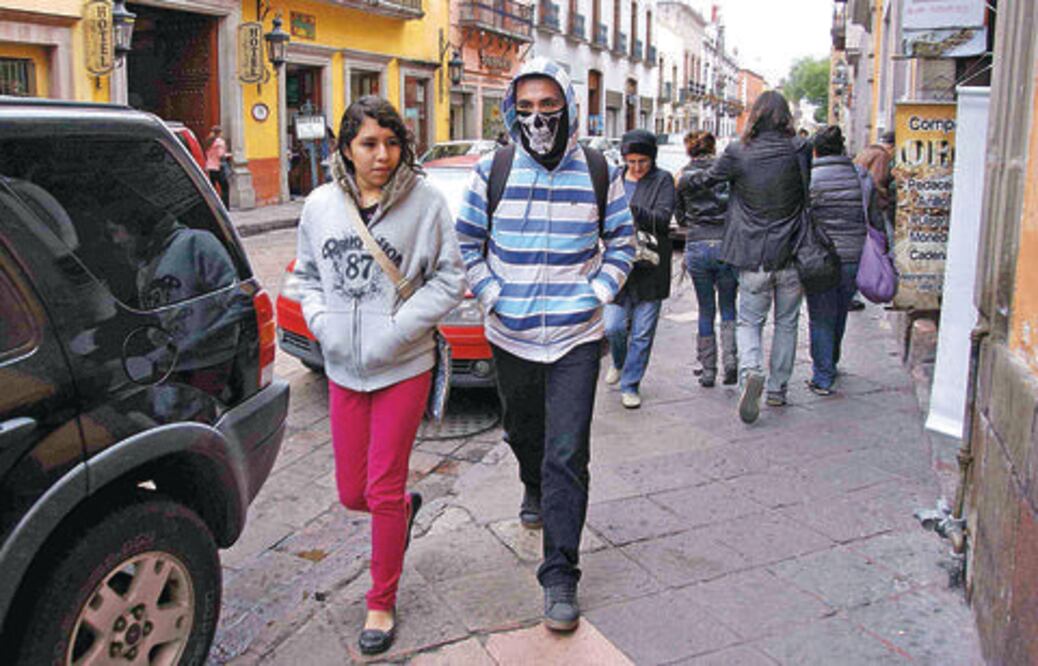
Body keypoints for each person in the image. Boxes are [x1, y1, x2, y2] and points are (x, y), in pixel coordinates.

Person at [455, 57, 635, 632]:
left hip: (576, 338)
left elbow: (624, 245)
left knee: (568, 454)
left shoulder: (599, 170)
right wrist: (493, 295)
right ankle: (531, 483)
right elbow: (467, 242)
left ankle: (560, 574)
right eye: (526, 108)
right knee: (522, 433)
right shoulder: (494, 169)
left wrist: (597, 294)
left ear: (569, 108)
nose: (538, 119)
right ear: (512, 109)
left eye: (549, 107)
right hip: (510, 335)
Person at [293, 96, 465, 655]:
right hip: (344, 365)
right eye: (369, 143)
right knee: (352, 492)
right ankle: (401, 511)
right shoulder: (319, 206)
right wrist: (322, 324)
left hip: (404, 364)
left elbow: (448, 279)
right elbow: (308, 277)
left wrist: (396, 331)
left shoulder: (427, 203)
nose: (382, 155)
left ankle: (380, 600)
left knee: (384, 487)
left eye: (392, 142)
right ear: (346, 147)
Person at [688, 90, 811, 424]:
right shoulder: (800, 148)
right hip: (791, 251)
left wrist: (683, 180)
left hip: (752, 253)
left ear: (754, 115)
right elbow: (806, 190)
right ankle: (777, 389)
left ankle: (751, 373)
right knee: (787, 322)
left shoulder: (739, 152)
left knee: (749, 321)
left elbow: (707, 180)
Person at [805, 126, 885, 395]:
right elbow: (875, 219)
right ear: (842, 148)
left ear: (816, 149)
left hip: (820, 258)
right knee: (839, 313)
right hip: (854, 257)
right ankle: (831, 363)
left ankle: (823, 376)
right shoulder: (861, 176)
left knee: (820, 316)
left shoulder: (809, 178)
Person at [603, 129, 675, 408]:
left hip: (650, 267)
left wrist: (634, 211)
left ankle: (630, 384)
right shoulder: (614, 178)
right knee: (613, 327)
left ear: (652, 158)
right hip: (617, 268)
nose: (636, 167)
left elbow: (663, 217)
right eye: (631, 161)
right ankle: (619, 361)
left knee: (643, 333)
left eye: (642, 161)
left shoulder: (663, 180)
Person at [675, 131, 737, 387]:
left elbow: (679, 217)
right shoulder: (725, 175)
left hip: (697, 244)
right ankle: (731, 361)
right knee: (729, 307)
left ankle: (708, 369)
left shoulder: (682, 177)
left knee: (705, 309)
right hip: (725, 244)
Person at [204, 126, 230, 209]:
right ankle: (225, 207)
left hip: (210, 167)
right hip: (219, 167)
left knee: (212, 188)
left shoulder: (208, 141)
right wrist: (228, 155)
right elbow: (220, 155)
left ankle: (212, 206)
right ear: (219, 133)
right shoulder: (220, 142)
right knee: (225, 188)